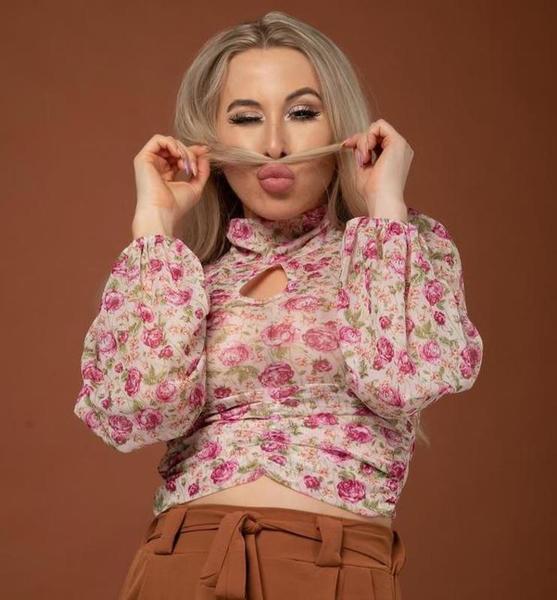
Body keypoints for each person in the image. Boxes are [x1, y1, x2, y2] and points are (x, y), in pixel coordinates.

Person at [73, 10, 484, 600]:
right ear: (212, 142)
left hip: (335, 569)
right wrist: (155, 225)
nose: (273, 145)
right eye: (245, 118)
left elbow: (399, 383)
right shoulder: (187, 278)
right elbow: (141, 413)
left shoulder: (397, 250)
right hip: (180, 563)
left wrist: (385, 208)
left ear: (341, 126)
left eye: (302, 113)